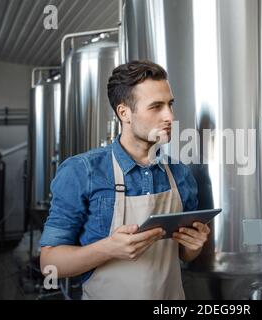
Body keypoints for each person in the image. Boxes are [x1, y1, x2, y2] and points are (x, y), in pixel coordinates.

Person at [39, 60, 210, 300]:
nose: (169, 116)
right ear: (124, 113)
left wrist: (195, 245)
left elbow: (183, 254)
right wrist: (108, 248)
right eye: (156, 107)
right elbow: (49, 263)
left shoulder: (179, 173)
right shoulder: (82, 171)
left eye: (170, 105)